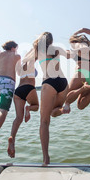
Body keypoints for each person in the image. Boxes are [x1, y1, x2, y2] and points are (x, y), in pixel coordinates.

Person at [34, 32, 69, 164]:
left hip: (49, 82)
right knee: (55, 112)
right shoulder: (57, 49)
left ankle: (45, 157)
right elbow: (72, 55)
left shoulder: (37, 51)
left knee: (44, 121)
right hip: (63, 82)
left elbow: (25, 63)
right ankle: (62, 109)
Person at [8, 52, 39, 158]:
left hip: (18, 91)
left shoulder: (20, 66)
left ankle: (12, 138)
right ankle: (28, 108)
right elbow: (38, 51)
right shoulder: (32, 62)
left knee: (18, 118)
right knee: (36, 106)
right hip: (29, 88)